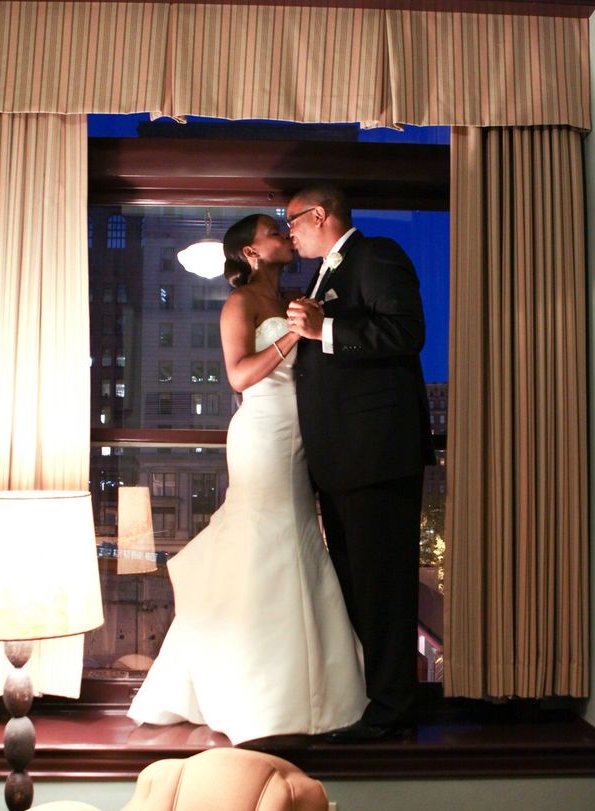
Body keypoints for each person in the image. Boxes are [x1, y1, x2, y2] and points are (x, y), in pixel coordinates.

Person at [128, 213, 366, 745]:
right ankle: (259, 695)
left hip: (302, 430)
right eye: (273, 232)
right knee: (267, 540)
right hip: (263, 432)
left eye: (287, 229)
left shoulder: (295, 298)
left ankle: (300, 684)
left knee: (296, 538)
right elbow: (238, 375)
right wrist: (292, 337)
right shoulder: (241, 304)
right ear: (251, 253)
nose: (285, 236)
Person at [286, 184, 435, 742]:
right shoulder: (323, 273)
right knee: (357, 584)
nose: (291, 232)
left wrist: (323, 328)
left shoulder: (377, 255)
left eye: (294, 222)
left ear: (319, 216)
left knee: (384, 586)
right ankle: (375, 699)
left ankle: (394, 712)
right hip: (343, 458)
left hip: (377, 455)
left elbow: (407, 331)